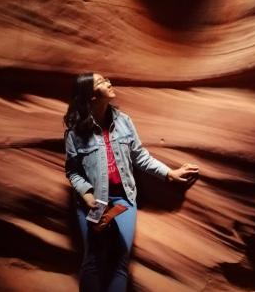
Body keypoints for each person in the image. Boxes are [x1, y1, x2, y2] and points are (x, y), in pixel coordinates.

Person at [63, 72, 199, 292]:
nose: (108, 82)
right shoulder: (75, 132)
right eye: (101, 82)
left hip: (124, 200)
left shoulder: (124, 121)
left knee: (120, 261)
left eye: (106, 79)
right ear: (91, 96)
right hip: (94, 202)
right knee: (94, 261)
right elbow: (72, 171)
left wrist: (169, 173)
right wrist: (89, 199)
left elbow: (140, 156)